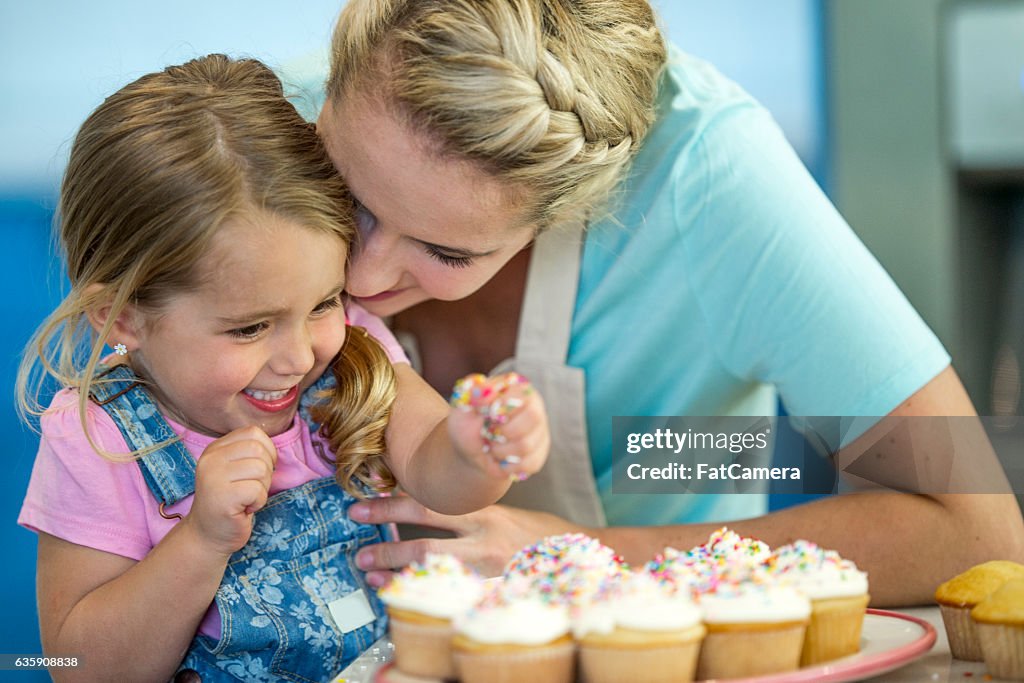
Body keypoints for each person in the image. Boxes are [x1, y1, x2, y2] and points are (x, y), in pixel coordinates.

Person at [314, 0, 1024, 606]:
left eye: (448, 253)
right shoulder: (255, 144)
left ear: (575, 207)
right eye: (346, 194)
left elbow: (976, 530)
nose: (363, 276)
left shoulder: (705, 178)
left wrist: (590, 558)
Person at [16, 54, 549, 682]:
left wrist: (476, 448)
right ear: (124, 316)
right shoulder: (98, 440)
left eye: (324, 302)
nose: (300, 357)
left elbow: (442, 481)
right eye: (249, 327)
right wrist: (202, 540)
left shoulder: (352, 348)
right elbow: (79, 668)